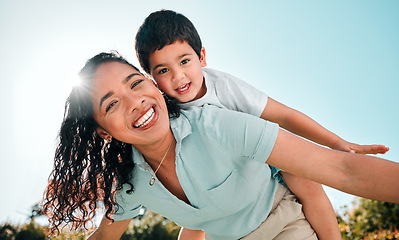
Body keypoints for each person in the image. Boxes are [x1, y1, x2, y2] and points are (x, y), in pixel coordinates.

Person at [42, 52, 399, 240]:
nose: (136, 102)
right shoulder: (132, 184)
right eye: (111, 104)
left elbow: (340, 168)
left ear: (153, 84)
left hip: (285, 228)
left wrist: (340, 144)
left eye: (136, 83)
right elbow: (106, 234)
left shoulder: (217, 125)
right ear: (104, 132)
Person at [134, 9, 389, 240]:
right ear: (151, 79)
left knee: (308, 182)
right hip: (217, 177)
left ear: (201, 56)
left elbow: (284, 116)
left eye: (184, 61)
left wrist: (335, 143)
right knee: (198, 214)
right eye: (163, 70)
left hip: (262, 153)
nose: (178, 76)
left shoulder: (223, 87)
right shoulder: (161, 111)